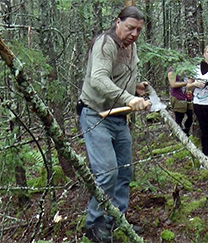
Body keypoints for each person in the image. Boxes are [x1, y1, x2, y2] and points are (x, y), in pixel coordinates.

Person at [78, 6, 150, 242]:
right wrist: (129, 98)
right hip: (96, 116)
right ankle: (94, 224)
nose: (134, 34)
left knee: (124, 171)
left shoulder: (132, 47)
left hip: (119, 118)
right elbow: (98, 79)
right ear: (117, 22)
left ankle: (115, 219)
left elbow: (119, 76)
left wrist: (136, 87)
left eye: (138, 29)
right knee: (107, 172)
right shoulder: (105, 43)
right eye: (130, 28)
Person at [168, 67, 193, 136]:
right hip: (177, 97)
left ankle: (186, 131)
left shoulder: (188, 67)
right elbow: (173, 84)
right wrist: (186, 83)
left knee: (191, 116)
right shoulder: (172, 70)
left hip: (188, 97)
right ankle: (177, 134)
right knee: (179, 117)